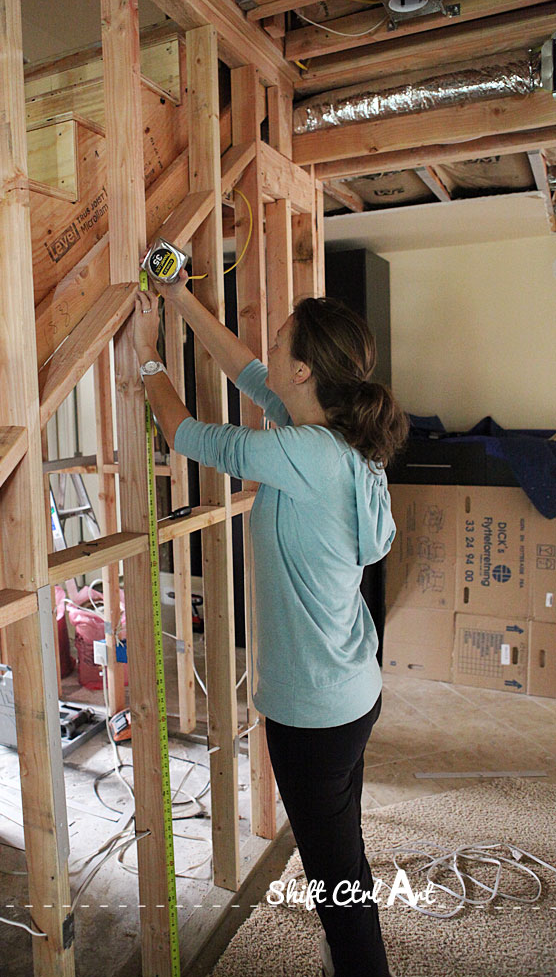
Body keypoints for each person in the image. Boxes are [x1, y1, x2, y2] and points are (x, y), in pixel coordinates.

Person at [131, 269, 409, 977]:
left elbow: (185, 433)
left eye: (281, 340)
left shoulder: (299, 453)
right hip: (351, 692)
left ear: (307, 370)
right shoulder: (333, 438)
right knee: (342, 855)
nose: (269, 348)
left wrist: (145, 355)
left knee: (338, 891)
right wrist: (179, 298)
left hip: (312, 715)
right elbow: (248, 372)